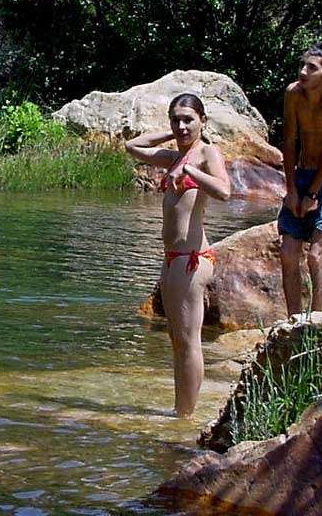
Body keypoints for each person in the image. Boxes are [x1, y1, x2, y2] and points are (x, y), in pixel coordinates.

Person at [125, 93, 231, 417]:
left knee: (188, 341)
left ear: (203, 121)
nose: (182, 126)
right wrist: (173, 136)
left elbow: (224, 191)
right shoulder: (174, 156)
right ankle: (179, 410)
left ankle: (185, 416)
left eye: (189, 120)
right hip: (172, 258)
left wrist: (190, 171)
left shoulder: (207, 153)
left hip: (193, 259)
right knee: (176, 340)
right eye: (176, 120)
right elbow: (132, 146)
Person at [278, 44, 322, 316]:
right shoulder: (293, 93)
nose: (303, 71)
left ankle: (317, 321)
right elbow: (289, 141)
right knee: (288, 253)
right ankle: (294, 320)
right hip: (302, 173)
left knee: (315, 254)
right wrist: (291, 190)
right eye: (302, 65)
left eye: (311, 68)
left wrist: (312, 194)